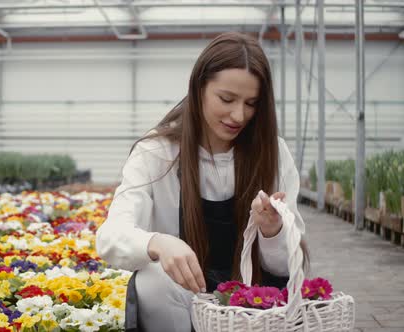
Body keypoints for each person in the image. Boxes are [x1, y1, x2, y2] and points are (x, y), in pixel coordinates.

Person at [95, 32, 310, 332]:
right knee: (154, 280)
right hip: (184, 299)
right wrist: (159, 243)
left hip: (254, 304)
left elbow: (287, 266)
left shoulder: (273, 153)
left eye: (251, 103)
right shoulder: (158, 152)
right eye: (226, 99)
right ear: (198, 89)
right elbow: (111, 236)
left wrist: (272, 231)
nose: (239, 115)